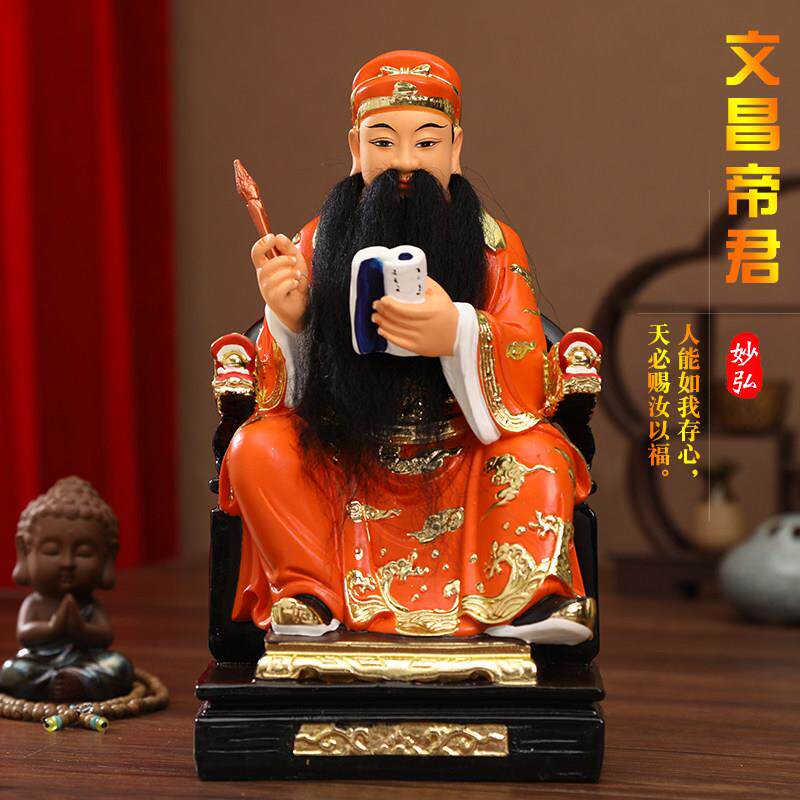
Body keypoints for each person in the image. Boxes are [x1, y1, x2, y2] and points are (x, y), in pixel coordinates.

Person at [216, 50, 602, 644]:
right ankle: (309, 594)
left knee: (541, 454)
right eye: (382, 141)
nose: (404, 162)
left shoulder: (494, 246)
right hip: (347, 451)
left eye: (425, 143)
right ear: (355, 147)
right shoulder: (316, 241)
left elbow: (526, 357)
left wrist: (459, 333)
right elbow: (279, 397)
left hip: (465, 448)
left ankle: (521, 601)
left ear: (455, 148)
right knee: (257, 448)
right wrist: (291, 320)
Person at [0, 477, 133, 701]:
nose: (67, 562)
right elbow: (25, 635)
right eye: (52, 551)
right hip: (40, 661)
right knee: (10, 672)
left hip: (85, 660)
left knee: (120, 666)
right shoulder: (35, 603)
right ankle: (57, 683)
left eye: (84, 553)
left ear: (107, 558)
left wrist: (81, 630)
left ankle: (77, 682)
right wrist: (53, 627)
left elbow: (105, 636)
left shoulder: (89, 605)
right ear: (24, 552)